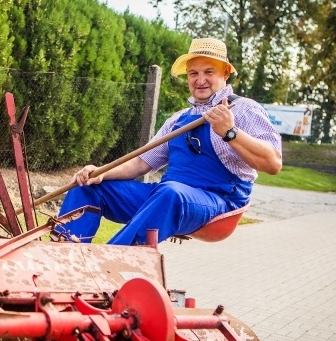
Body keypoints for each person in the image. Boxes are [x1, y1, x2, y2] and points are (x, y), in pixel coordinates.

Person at [55, 37, 282, 246]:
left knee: (171, 193)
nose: (200, 80)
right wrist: (101, 172)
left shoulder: (244, 109)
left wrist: (230, 132)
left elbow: (273, 163)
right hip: (165, 196)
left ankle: (109, 264)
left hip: (216, 203)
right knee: (88, 189)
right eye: (193, 73)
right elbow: (142, 163)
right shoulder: (178, 119)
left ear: (225, 74)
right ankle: (62, 262)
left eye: (209, 72)